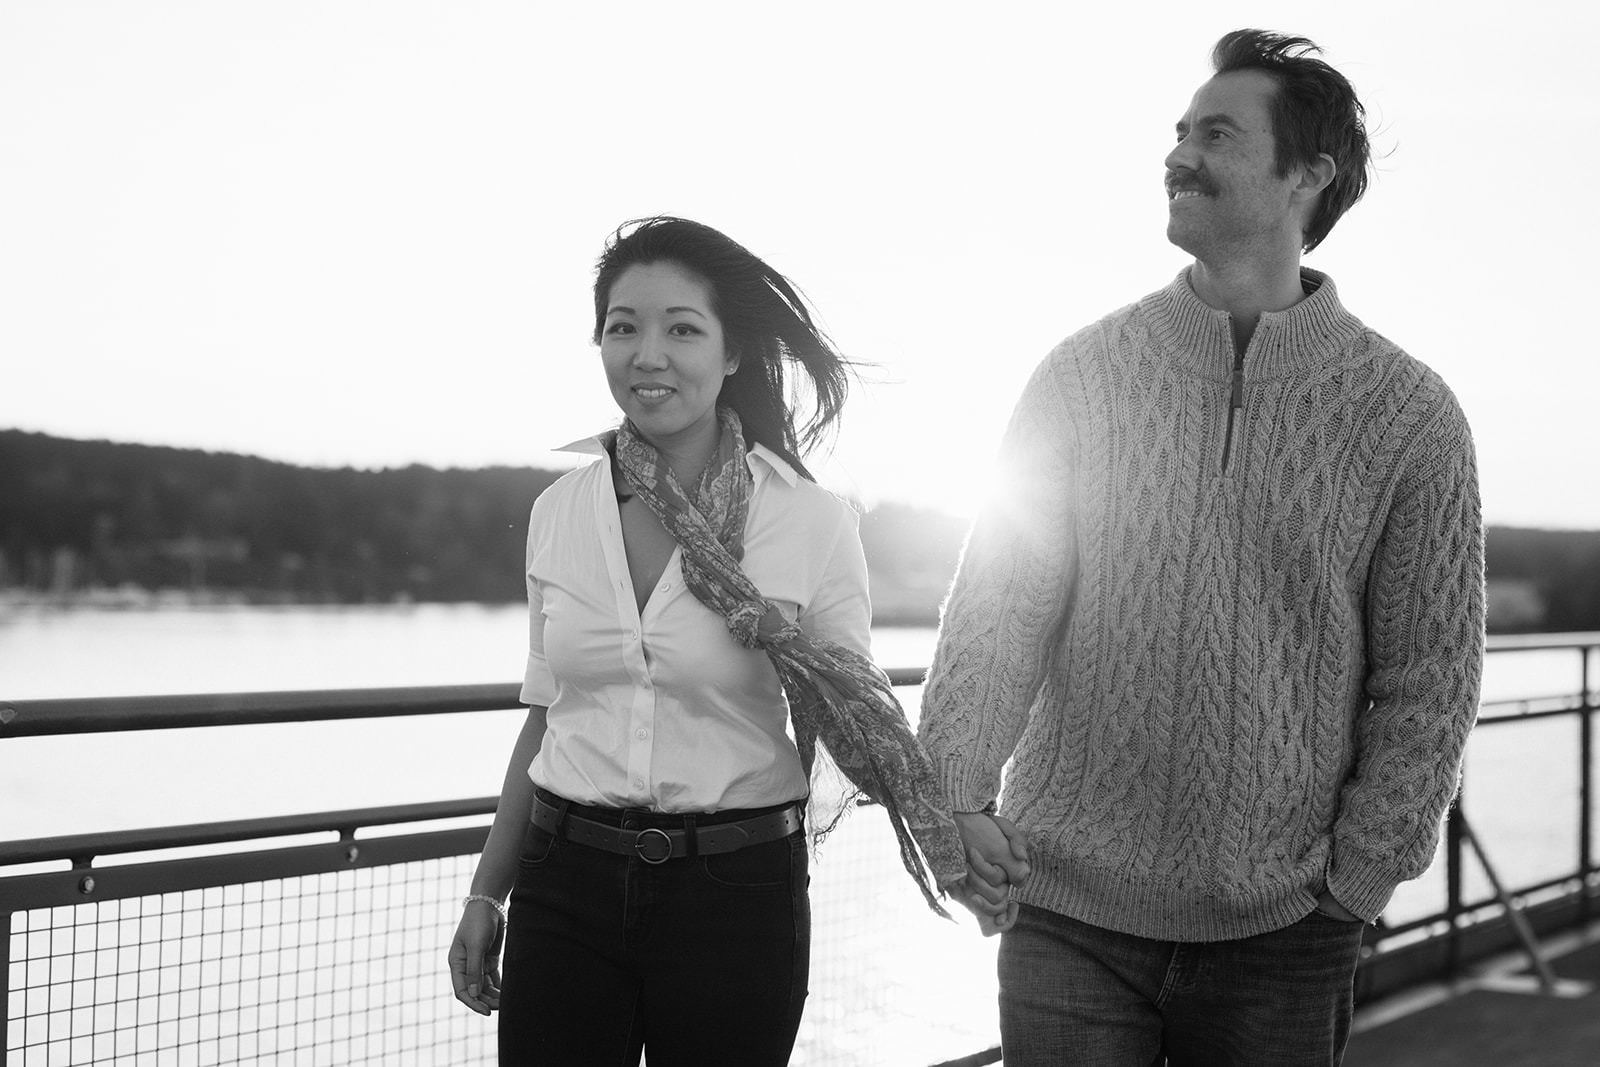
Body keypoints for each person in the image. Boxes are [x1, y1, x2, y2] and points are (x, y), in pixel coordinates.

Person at [917, 29, 1485, 1066]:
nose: (1177, 153)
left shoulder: (1410, 415)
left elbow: (1430, 676)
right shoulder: (1081, 374)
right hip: (1066, 910)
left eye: (1215, 133)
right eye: (1178, 130)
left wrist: (1356, 879)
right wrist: (950, 798)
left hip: (1283, 928)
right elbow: (998, 609)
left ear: (1307, 173)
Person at [445, 216, 990, 1065]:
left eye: (682, 328)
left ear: (732, 354)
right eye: (623, 327)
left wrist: (953, 815)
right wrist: (488, 890)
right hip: (565, 879)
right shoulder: (560, 513)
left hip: (735, 894)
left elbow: (856, 712)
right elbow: (548, 715)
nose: (648, 353)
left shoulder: (809, 520)